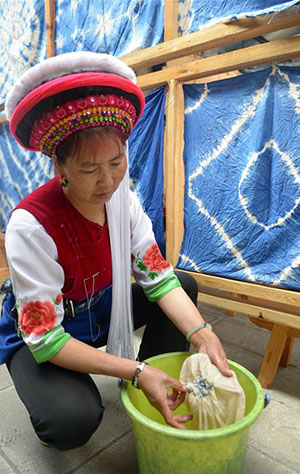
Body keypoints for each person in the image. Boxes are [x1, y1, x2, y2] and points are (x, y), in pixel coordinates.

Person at [0, 52, 231, 451]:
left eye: (117, 161)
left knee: (183, 285)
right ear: (60, 165)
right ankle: (143, 375)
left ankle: (160, 381)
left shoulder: (123, 203)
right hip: (45, 333)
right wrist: (135, 369)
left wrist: (201, 332)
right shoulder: (31, 225)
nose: (107, 181)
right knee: (71, 421)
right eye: (90, 169)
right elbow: (48, 339)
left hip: (97, 310)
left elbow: (158, 277)